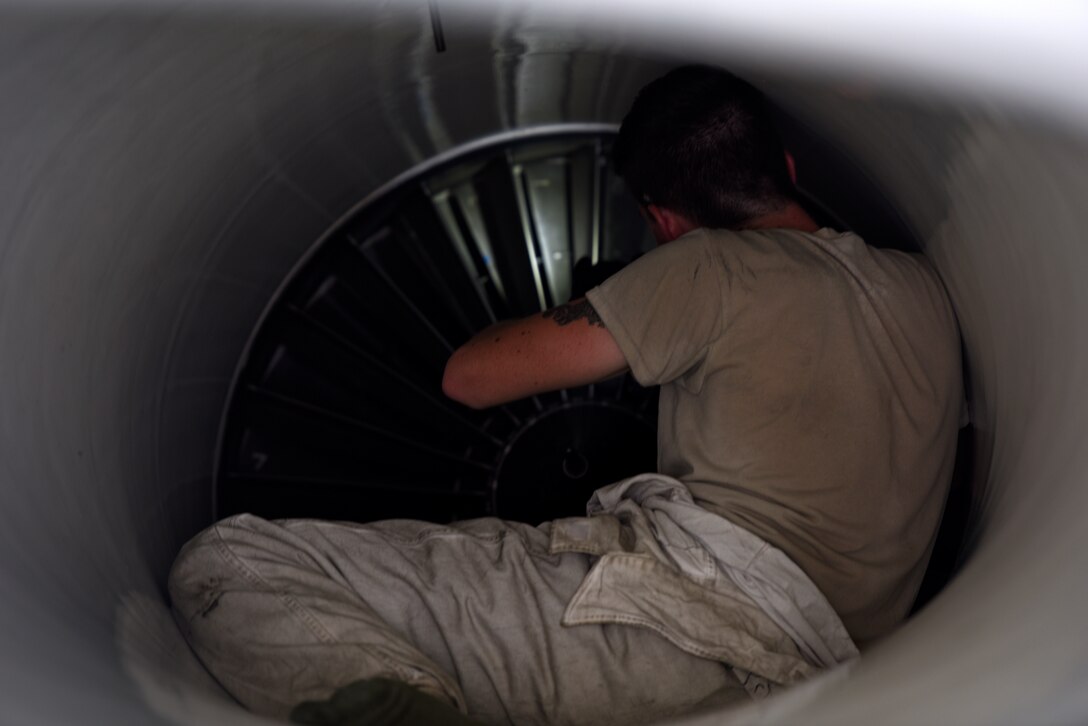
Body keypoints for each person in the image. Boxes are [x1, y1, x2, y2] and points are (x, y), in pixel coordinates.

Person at [169, 66, 962, 725]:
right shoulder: (925, 289)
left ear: (663, 220)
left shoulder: (708, 268)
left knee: (229, 563)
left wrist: (628, 303)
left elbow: (471, 376)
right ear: (788, 169)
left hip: (692, 624)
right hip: (843, 681)